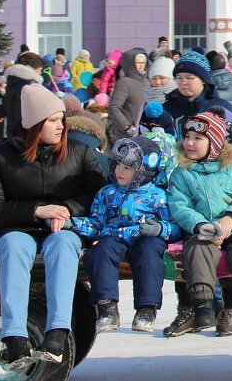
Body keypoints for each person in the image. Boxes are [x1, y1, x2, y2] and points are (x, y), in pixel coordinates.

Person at [0, 84, 105, 370]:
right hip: (18, 229)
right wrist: (36, 211)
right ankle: (15, 338)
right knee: (13, 246)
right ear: (34, 124)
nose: (61, 126)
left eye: (62, 119)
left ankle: (58, 333)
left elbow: (99, 196)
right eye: (52, 121)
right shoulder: (1, 156)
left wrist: (68, 210)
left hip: (63, 229)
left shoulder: (79, 152)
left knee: (64, 245)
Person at [167, 111, 232, 333]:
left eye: (198, 139)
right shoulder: (181, 173)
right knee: (198, 249)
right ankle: (203, 307)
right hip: (202, 230)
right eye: (187, 137)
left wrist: (231, 217)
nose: (189, 143)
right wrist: (201, 225)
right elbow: (179, 205)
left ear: (214, 143)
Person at [72, 136, 177, 334]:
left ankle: (147, 308)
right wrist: (74, 224)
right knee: (100, 252)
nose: (119, 171)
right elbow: (97, 223)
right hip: (114, 235)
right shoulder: (107, 193)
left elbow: (174, 225)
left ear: (144, 170)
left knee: (150, 254)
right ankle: (107, 307)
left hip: (146, 236)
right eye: (117, 164)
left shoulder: (159, 196)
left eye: (127, 167)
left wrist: (161, 229)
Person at [162, 51, 232, 132]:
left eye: (189, 78)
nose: (183, 82)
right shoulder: (167, 109)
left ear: (203, 80)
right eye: (179, 78)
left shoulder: (222, 108)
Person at [107, 49, 148, 144]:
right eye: (138, 63)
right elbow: (114, 107)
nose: (141, 65)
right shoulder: (124, 83)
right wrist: (126, 126)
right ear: (130, 64)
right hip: (125, 135)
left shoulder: (147, 82)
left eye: (143, 63)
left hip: (144, 133)